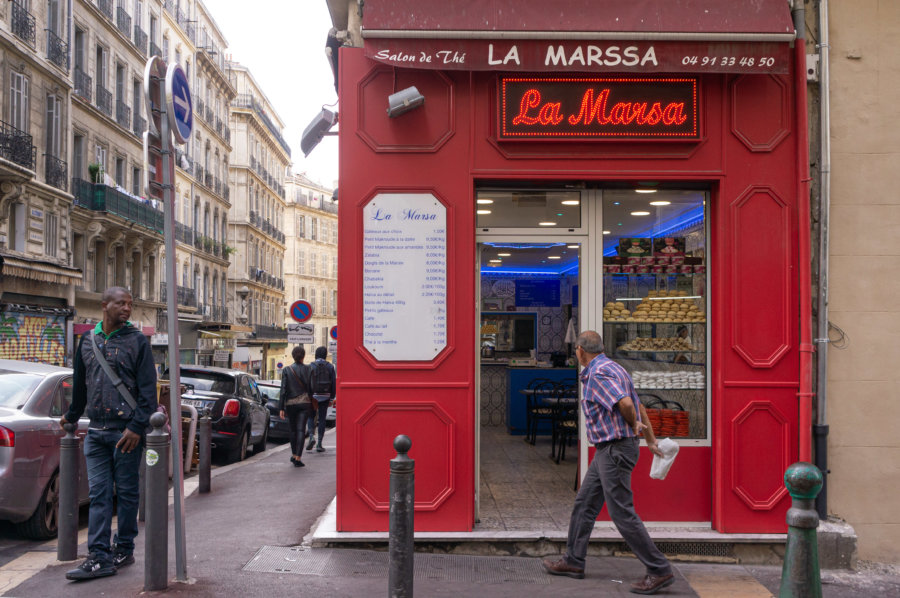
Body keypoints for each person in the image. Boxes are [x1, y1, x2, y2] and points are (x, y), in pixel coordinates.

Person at [542, 330, 674, 595]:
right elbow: (639, 405)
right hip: (608, 450)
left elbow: (627, 404)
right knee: (585, 503)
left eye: (576, 351)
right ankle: (573, 561)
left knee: (621, 511)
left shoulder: (597, 373)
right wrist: (649, 438)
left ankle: (659, 569)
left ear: (580, 350)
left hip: (614, 450)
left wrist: (631, 423)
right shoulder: (616, 368)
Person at [61, 287, 158, 581]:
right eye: (121, 303)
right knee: (99, 494)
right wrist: (73, 415)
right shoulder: (88, 341)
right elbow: (80, 384)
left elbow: (148, 393)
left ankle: (124, 548)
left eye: (130, 304)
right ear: (105, 306)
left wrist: (136, 427)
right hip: (96, 431)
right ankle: (99, 556)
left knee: (127, 493)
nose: (127, 308)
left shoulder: (138, 341)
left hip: (125, 431)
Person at [280, 345, 313, 467]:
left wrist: (281, 408)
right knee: (301, 430)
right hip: (304, 403)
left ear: (293, 356)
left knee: (292, 430)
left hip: (290, 404)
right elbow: (311, 387)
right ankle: (298, 457)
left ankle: (294, 454)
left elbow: (283, 390)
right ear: (303, 356)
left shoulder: (286, 370)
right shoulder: (309, 369)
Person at [306, 346, 336, 453]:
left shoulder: (311, 366)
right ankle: (319, 443)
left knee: (311, 416)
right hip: (325, 395)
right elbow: (333, 382)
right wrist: (332, 397)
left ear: (316, 354)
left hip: (313, 396)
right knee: (322, 419)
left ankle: (311, 437)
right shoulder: (330, 367)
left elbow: (307, 382)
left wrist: (308, 395)